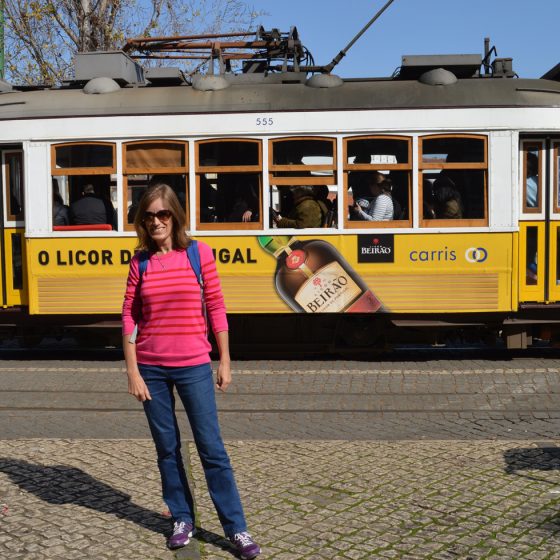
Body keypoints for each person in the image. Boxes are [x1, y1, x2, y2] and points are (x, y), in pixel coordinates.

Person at [121, 184, 260, 559]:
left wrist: (225, 359)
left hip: (195, 365)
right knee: (167, 449)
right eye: (149, 216)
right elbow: (130, 316)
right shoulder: (140, 262)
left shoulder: (199, 254)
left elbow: (216, 305)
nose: (156, 222)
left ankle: (236, 529)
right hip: (150, 368)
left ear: (175, 216)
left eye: (163, 214)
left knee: (212, 449)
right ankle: (181, 517)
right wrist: (132, 370)